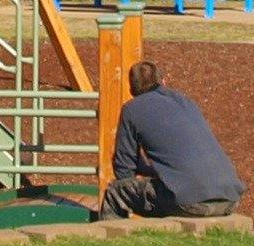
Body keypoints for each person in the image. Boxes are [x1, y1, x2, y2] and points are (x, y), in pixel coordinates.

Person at [105, 60, 245, 217]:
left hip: (190, 202)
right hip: (230, 197)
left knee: (115, 192)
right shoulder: (186, 102)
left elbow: (124, 170)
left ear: (131, 89)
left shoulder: (132, 109)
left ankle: (114, 238)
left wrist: (139, 174)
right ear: (163, 81)